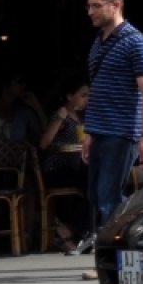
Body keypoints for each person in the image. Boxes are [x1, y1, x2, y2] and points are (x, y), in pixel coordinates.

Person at [78, 0, 143, 273]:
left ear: (116, 5)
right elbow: (98, 89)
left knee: (109, 199)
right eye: (89, 5)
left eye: (97, 5)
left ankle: (115, 260)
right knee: (99, 197)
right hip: (101, 130)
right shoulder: (100, 41)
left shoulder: (135, 41)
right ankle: (126, 248)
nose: (90, 11)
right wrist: (89, 132)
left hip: (121, 130)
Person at [39, 75, 90, 251]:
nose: (86, 100)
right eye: (83, 95)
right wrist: (59, 119)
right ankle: (70, 230)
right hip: (58, 169)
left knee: (97, 187)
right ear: (70, 96)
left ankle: (72, 229)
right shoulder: (61, 116)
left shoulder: (84, 117)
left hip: (77, 167)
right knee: (92, 185)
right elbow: (44, 143)